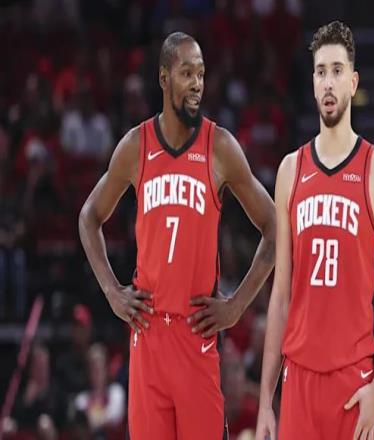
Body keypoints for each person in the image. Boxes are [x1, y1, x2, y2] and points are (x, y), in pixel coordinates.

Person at [79, 32, 276, 439]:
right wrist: (113, 293)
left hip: (196, 334)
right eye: (187, 73)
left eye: (201, 74)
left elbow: (275, 227)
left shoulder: (219, 146)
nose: (197, 84)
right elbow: (89, 217)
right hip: (147, 335)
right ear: (164, 78)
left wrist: (237, 306)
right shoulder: (136, 146)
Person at [256, 21, 374, 440]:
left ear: (353, 82)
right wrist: (266, 400)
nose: (328, 81)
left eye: (337, 71)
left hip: (354, 383)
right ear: (312, 83)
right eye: (321, 71)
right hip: (299, 380)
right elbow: (281, 295)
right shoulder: (290, 170)